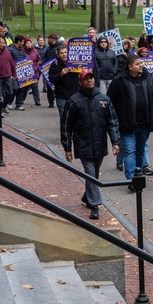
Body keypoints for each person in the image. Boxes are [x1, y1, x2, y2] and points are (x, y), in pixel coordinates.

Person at [60, 69, 120, 220]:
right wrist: (67, 147)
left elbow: (112, 122)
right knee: (90, 172)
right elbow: (66, 125)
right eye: (86, 79)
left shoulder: (104, 99)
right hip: (83, 144)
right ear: (80, 82)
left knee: (94, 173)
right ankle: (95, 204)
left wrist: (115, 141)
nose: (90, 81)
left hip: (99, 143)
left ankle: (88, 196)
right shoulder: (74, 101)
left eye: (91, 78)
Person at [106, 56, 153, 184]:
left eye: (141, 63)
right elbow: (110, 101)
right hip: (127, 124)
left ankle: (138, 174)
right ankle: (130, 179)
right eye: (137, 64)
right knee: (130, 151)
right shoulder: (119, 81)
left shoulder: (150, 80)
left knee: (140, 151)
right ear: (129, 67)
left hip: (145, 123)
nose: (141, 66)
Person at [47, 44, 79, 118]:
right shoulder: (55, 65)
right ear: (58, 55)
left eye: (65, 52)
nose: (64, 55)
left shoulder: (76, 63)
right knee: (64, 117)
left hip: (75, 94)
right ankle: (65, 129)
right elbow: (51, 79)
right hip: (61, 96)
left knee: (76, 116)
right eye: (61, 53)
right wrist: (60, 74)